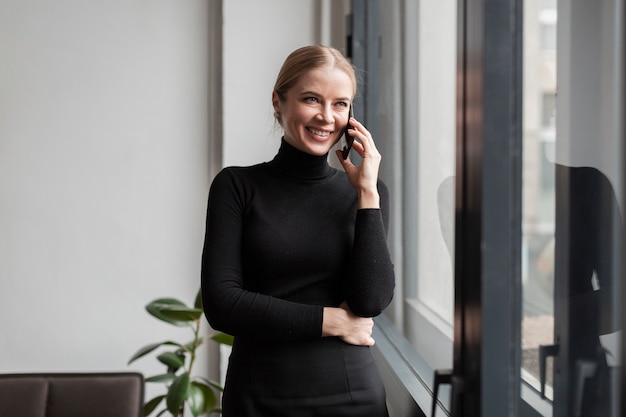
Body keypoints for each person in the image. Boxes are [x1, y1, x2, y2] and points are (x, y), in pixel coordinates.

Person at [201, 45, 395, 416]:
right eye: (311, 99)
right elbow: (222, 304)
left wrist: (367, 192)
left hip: (353, 397)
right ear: (278, 100)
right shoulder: (236, 187)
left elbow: (371, 301)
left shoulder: (366, 194)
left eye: (340, 104)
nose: (326, 117)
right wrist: (332, 321)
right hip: (260, 396)